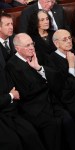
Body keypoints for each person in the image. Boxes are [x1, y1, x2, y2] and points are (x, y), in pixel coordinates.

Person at [6, 33, 75, 150]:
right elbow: (25, 93)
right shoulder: (12, 66)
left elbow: (56, 76)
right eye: (27, 45)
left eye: (32, 44)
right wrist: (45, 83)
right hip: (34, 108)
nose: (31, 47)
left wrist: (39, 68)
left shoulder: (38, 55)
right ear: (17, 48)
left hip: (51, 101)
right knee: (52, 126)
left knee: (68, 120)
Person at [0, 12, 46, 150]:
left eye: (11, 23)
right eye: (7, 24)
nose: (11, 27)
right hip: (7, 96)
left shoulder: (17, 39)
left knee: (30, 133)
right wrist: (10, 95)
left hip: (23, 92)